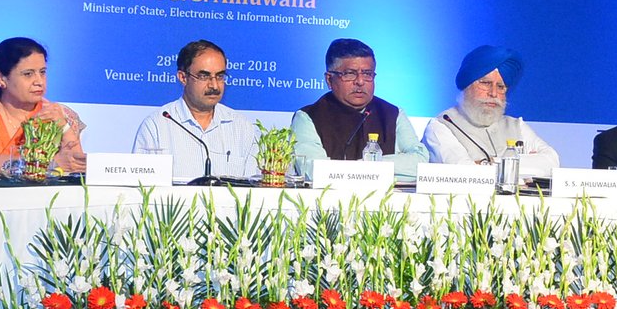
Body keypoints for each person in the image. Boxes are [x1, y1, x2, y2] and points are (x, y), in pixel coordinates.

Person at [289, 37, 429, 179]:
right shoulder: (308, 117)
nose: (360, 81)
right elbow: (313, 171)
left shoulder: (393, 114)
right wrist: (370, 170)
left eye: (367, 74)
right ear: (329, 80)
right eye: (350, 73)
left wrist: (370, 165)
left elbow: (421, 161)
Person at [422, 44, 560, 177]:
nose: (493, 93)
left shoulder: (516, 126)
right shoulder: (441, 125)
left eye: (500, 87)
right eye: (486, 83)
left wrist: (489, 163)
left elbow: (552, 161)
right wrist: (526, 163)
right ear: (467, 86)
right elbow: (464, 171)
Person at [132, 39, 258, 183]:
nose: (214, 85)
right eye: (204, 76)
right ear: (183, 77)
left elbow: (254, 187)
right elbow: (140, 186)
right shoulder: (156, 126)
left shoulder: (242, 127)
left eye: (220, 76)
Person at [0, 37, 86, 176]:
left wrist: (64, 127)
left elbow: (77, 167)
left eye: (42, 72)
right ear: (1, 78)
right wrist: (50, 164)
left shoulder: (58, 113)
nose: (39, 82)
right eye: (28, 74)